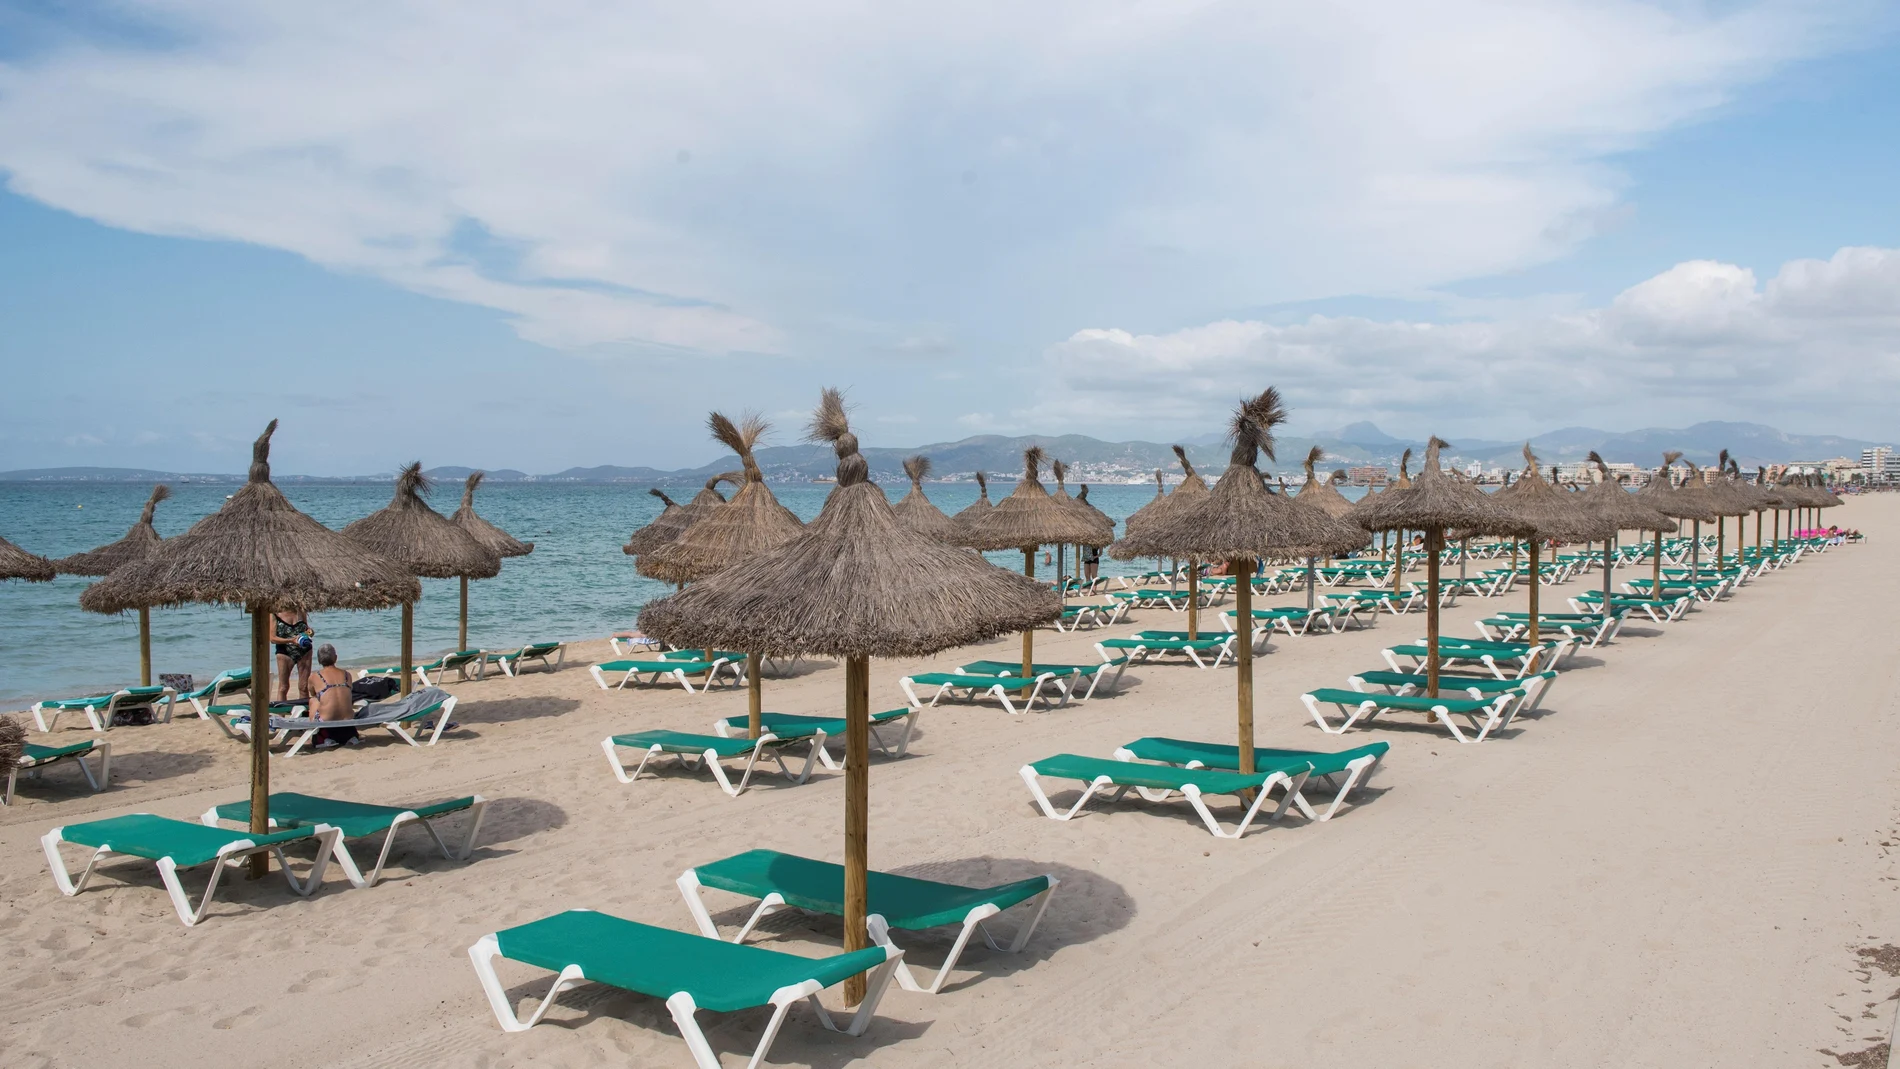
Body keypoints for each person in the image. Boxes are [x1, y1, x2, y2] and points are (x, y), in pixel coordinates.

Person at [309, 643, 359, 750]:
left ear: (318, 660)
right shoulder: (347, 675)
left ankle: (317, 731)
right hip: (347, 721)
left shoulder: (315, 676)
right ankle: (348, 735)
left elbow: (312, 693)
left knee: (313, 700)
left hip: (328, 721)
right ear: (336, 658)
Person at [273, 609, 314, 703]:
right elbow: (272, 638)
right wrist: (291, 640)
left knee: (303, 686)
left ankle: (304, 714)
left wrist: (309, 633)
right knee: (283, 687)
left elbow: (307, 630)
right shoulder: (275, 614)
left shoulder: (301, 611)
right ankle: (281, 715)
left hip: (304, 650)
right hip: (285, 652)